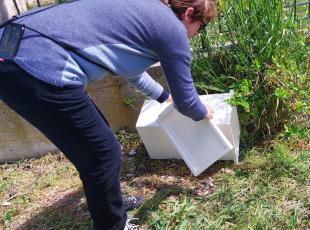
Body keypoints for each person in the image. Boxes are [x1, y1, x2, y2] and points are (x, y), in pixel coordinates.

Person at [0, 0, 217, 229]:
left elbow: (130, 71)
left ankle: (111, 204)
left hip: (13, 46)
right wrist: (203, 113)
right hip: (34, 66)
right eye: (201, 27)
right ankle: (113, 224)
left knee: (99, 143)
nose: (198, 33)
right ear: (189, 14)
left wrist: (164, 97)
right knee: (101, 153)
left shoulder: (148, 11)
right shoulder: (173, 29)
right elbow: (187, 102)